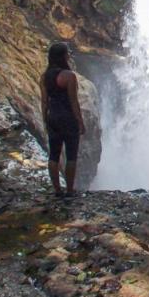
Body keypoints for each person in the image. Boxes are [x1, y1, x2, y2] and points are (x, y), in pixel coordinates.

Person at [41, 41, 86, 197]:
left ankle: (57, 190)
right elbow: (74, 101)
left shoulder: (45, 77)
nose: (69, 55)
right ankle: (69, 190)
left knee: (54, 154)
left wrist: (45, 119)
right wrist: (80, 121)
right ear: (63, 56)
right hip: (68, 118)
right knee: (71, 155)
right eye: (67, 53)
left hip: (52, 117)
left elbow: (44, 101)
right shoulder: (69, 76)